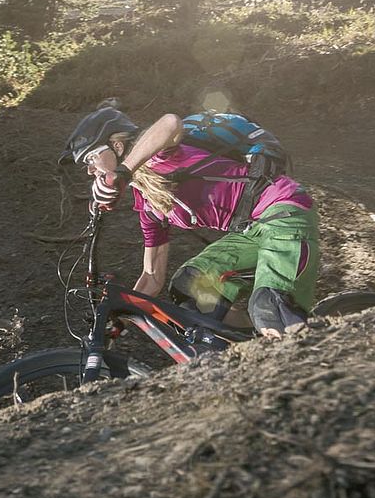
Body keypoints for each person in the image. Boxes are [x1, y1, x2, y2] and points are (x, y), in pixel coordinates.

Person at [63, 103, 321, 339]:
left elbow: (170, 123)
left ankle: (309, 351)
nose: (89, 170)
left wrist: (122, 171)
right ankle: (254, 342)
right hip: (252, 231)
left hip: (284, 212)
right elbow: (152, 277)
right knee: (191, 289)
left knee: (268, 306)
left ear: (117, 147)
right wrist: (119, 318)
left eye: (90, 157)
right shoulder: (150, 206)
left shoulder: (163, 156)